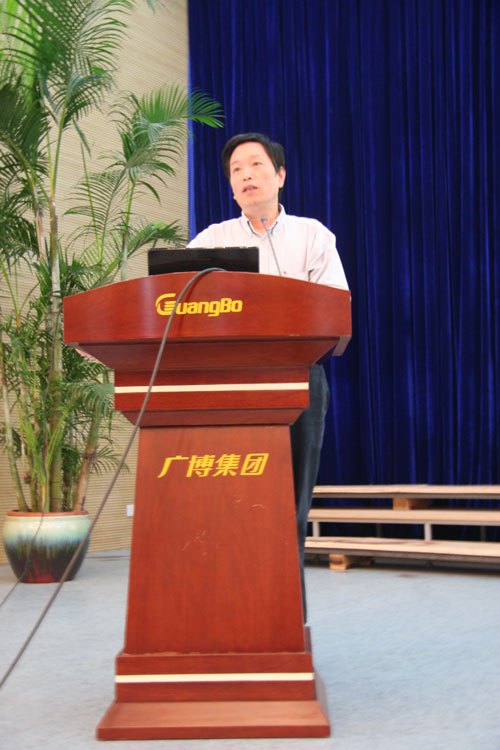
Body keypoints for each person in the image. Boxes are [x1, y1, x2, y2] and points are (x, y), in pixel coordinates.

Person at [189, 132, 348, 619]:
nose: (246, 175)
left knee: (290, 506)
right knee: (231, 505)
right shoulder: (212, 240)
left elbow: (334, 312)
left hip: (299, 379)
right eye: (236, 170)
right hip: (228, 385)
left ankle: (285, 617)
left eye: (256, 165)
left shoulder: (312, 236)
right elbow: (174, 300)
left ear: (280, 176)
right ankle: (230, 612)